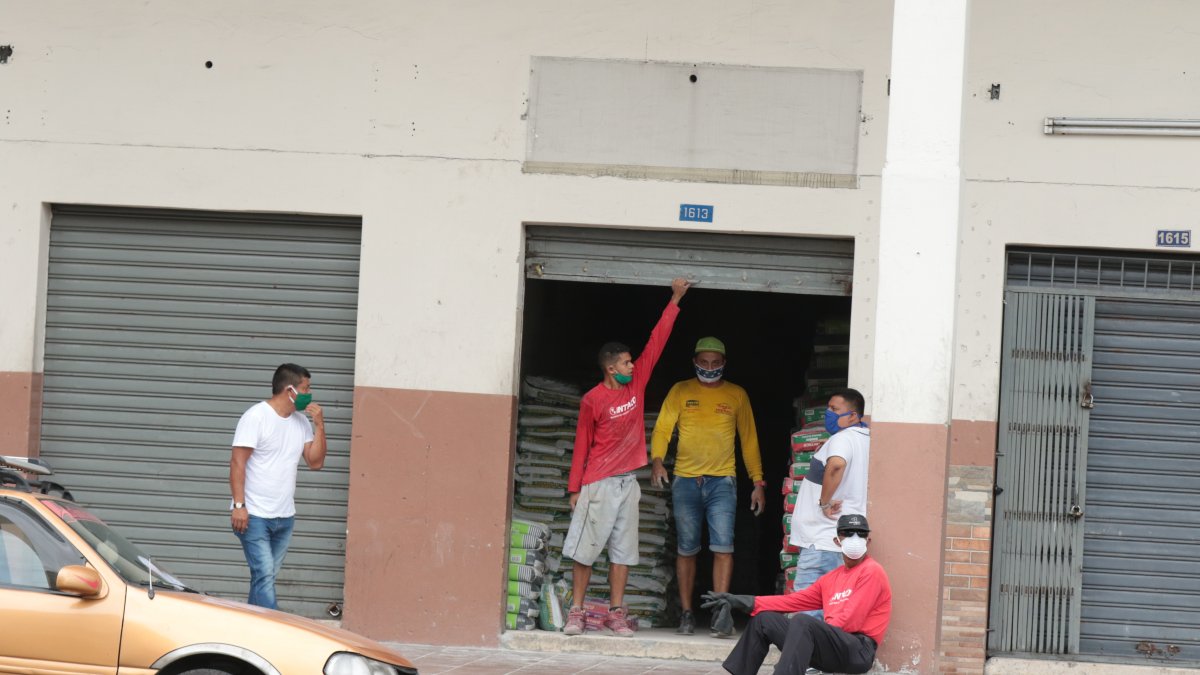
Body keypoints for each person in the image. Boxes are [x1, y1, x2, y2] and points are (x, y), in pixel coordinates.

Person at [562, 277, 691, 637]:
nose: (632, 365)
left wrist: (675, 301)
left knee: (623, 551)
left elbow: (657, 343)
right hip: (597, 484)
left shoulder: (637, 384)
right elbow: (581, 445)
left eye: (632, 362)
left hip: (627, 485)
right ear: (610, 368)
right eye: (625, 362)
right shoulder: (592, 400)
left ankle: (616, 613)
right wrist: (575, 490)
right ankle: (577, 611)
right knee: (585, 551)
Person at [650, 336, 764, 637]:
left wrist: (758, 481)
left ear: (724, 364)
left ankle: (720, 611)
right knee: (687, 549)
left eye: (716, 363)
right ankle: (687, 614)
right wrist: (658, 460)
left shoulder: (737, 395)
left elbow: (749, 440)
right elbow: (663, 427)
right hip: (685, 481)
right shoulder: (680, 390)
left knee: (723, 548)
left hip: (723, 482)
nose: (710, 368)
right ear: (695, 362)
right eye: (704, 362)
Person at [704, 514, 891, 675]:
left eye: (861, 534)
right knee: (764, 620)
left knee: (803, 623)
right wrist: (744, 601)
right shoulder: (830, 579)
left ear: (868, 541)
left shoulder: (872, 571)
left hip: (857, 650)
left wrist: (803, 641)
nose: (854, 538)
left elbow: (851, 620)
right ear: (837, 540)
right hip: (830, 645)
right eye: (848, 533)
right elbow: (793, 601)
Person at [229, 363, 327, 609]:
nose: (309, 394)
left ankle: (250, 631)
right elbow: (237, 463)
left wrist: (319, 426)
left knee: (265, 578)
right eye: (306, 388)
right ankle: (275, 634)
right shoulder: (256, 417)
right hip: (254, 515)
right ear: (290, 390)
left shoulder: (301, 422)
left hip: (285, 516)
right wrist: (239, 506)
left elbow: (315, 462)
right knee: (264, 574)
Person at [789, 388, 870, 619]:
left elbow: (836, 465)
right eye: (828, 409)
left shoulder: (842, 439)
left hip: (821, 540)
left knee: (807, 611)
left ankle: (805, 655)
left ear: (853, 416)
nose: (828, 414)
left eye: (835, 410)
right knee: (833, 611)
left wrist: (824, 503)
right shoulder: (866, 439)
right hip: (840, 542)